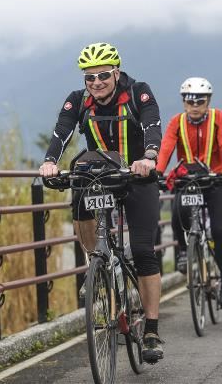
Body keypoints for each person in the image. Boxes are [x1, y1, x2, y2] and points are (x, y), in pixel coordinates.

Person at [39, 42, 164, 363]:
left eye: (103, 76)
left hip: (138, 174)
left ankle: (151, 329)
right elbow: (61, 132)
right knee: (77, 194)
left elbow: (152, 126)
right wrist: (50, 161)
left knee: (142, 251)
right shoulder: (78, 100)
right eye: (89, 78)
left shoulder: (139, 93)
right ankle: (96, 263)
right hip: (100, 172)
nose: (96, 83)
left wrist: (149, 158)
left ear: (116, 73)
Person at [156, 77, 222, 309]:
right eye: (189, 101)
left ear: (208, 101)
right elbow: (165, 148)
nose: (194, 106)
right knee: (177, 214)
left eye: (199, 101)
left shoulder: (218, 118)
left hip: (216, 179)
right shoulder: (177, 122)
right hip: (188, 177)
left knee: (219, 230)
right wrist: (157, 173)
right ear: (183, 102)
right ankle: (183, 250)